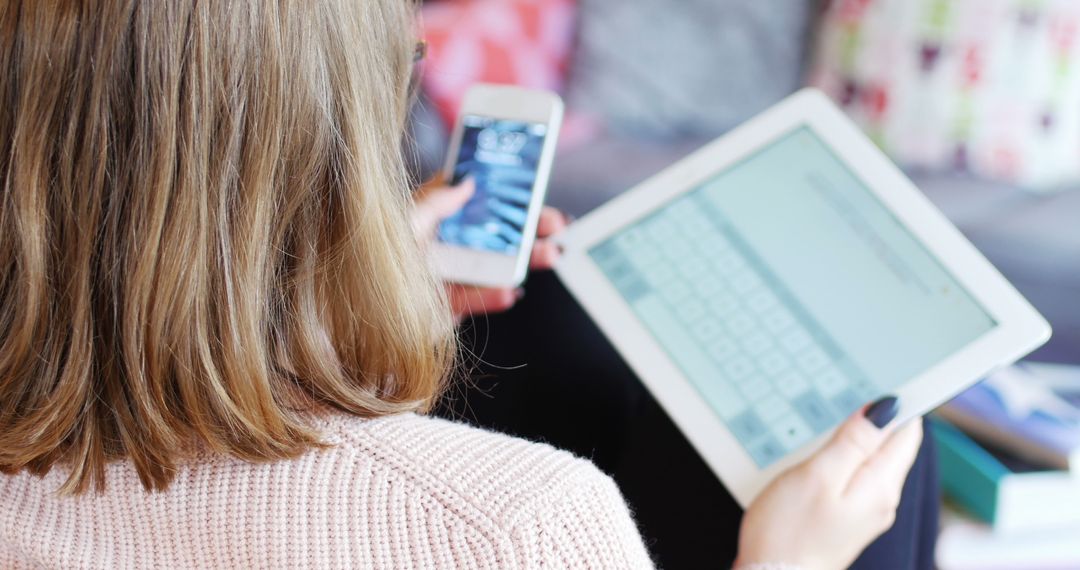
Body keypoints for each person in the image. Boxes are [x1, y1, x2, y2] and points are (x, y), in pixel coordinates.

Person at [0, 2, 922, 568]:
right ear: (336, 144)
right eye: (397, 76)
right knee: (881, 485)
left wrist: (312, 303)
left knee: (557, 329)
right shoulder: (520, 528)